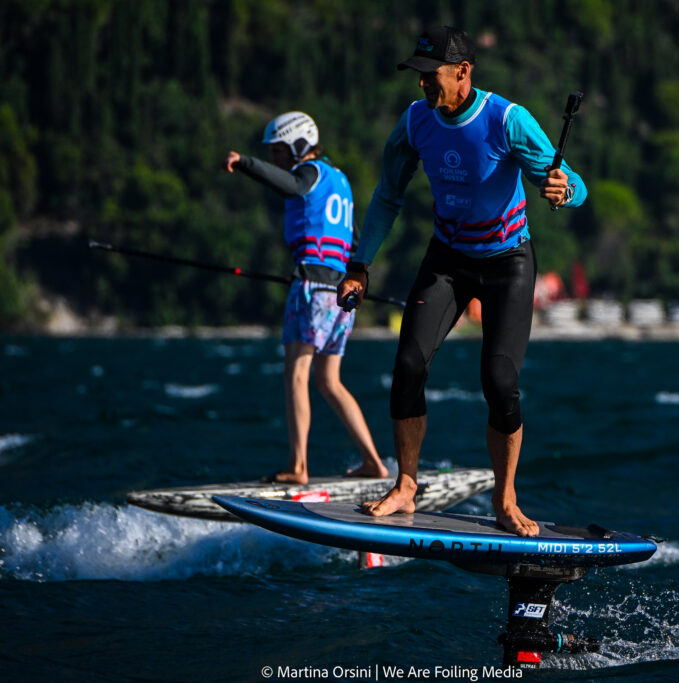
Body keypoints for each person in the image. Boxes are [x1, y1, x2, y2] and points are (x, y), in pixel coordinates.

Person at [337, 26, 586, 536]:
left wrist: (564, 191)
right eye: (419, 76)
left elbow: (572, 183)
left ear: (463, 73)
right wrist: (359, 264)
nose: (423, 85)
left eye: (432, 76)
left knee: (500, 382)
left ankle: (505, 498)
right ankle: (406, 485)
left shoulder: (507, 120)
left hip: (507, 261)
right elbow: (387, 196)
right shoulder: (415, 121)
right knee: (408, 364)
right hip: (447, 259)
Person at [225, 111, 388, 484]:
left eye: (279, 150)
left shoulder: (309, 173)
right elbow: (355, 241)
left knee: (296, 374)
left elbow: (292, 187)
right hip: (341, 293)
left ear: (298, 144)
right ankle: (374, 463)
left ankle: (298, 467)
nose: (276, 158)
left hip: (313, 290)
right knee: (329, 381)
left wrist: (246, 163)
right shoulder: (340, 181)